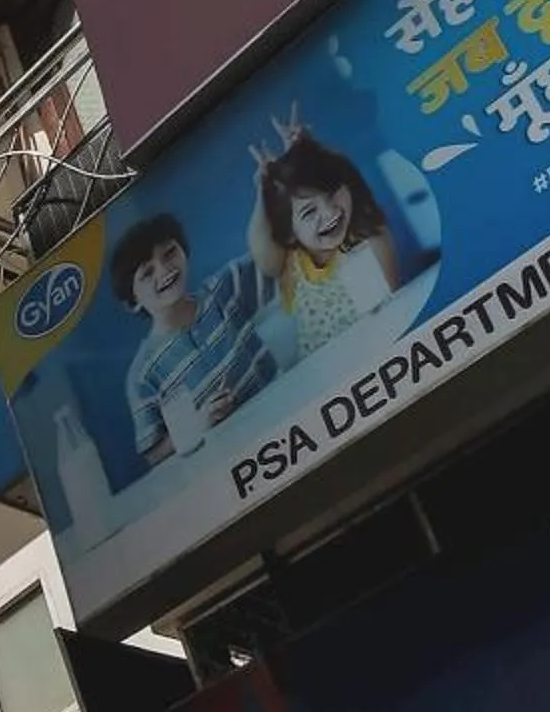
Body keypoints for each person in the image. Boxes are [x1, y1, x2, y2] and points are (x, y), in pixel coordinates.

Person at [113, 211, 275, 462]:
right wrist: (196, 424)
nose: (165, 270)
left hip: (281, 417)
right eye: (147, 273)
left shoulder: (223, 289)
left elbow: (272, 257)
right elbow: (153, 454)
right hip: (228, 464)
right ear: (132, 301)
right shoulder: (142, 375)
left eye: (169, 253)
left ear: (184, 251)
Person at [247, 111, 400, 357]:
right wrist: (263, 192)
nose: (329, 212)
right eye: (308, 212)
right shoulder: (290, 266)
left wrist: (312, 151)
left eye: (331, 193)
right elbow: (260, 247)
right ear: (289, 234)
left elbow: (352, 180)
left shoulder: (363, 239)